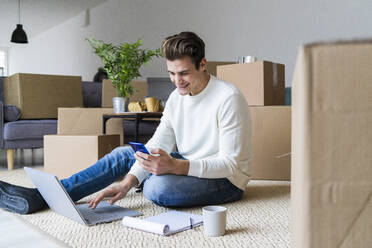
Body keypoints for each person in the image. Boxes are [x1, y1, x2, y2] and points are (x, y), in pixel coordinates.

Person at [0, 31, 252, 215]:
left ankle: (153, 180)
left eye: (184, 73)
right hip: (187, 161)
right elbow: (158, 142)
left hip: (226, 181)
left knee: (156, 189)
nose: (177, 81)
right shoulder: (177, 97)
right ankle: (44, 196)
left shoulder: (228, 97)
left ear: (203, 65)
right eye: (171, 73)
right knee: (124, 154)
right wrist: (128, 181)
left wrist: (174, 166)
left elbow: (230, 164)